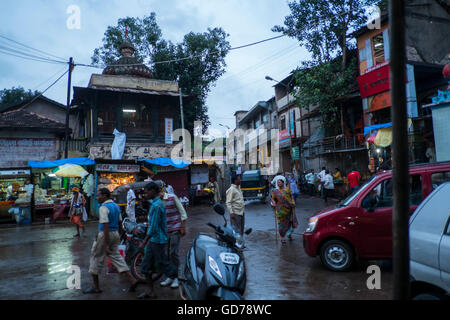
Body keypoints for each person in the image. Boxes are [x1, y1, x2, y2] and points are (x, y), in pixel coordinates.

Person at [83, 188, 138, 294]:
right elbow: (120, 222)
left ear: (104, 196)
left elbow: (105, 225)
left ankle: (96, 286)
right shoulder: (116, 206)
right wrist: (120, 236)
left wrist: (106, 243)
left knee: (95, 257)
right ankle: (133, 280)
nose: (97, 197)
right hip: (115, 234)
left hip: (105, 234)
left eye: (98, 195)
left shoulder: (103, 208)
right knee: (117, 257)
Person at [138, 182, 177, 299]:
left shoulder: (156, 205)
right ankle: (150, 291)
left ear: (153, 191)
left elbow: (153, 227)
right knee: (146, 266)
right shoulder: (156, 204)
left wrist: (144, 241)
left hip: (157, 240)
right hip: (155, 239)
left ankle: (182, 277)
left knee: (162, 264)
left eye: (147, 191)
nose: (145, 194)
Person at [154, 180, 187, 289]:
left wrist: (183, 226)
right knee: (166, 254)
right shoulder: (156, 202)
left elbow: (182, 212)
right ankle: (170, 276)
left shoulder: (172, 197)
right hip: (164, 231)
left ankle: (177, 277)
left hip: (175, 228)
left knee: (173, 252)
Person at [271, 177, 298, 245]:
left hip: (288, 209)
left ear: (283, 183)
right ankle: (283, 238)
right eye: (277, 182)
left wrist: (293, 202)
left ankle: (289, 234)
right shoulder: (275, 191)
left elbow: (291, 197)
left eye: (280, 182)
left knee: (289, 223)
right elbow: (273, 199)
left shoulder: (287, 190)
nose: (278, 183)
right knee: (281, 224)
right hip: (280, 211)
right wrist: (274, 203)